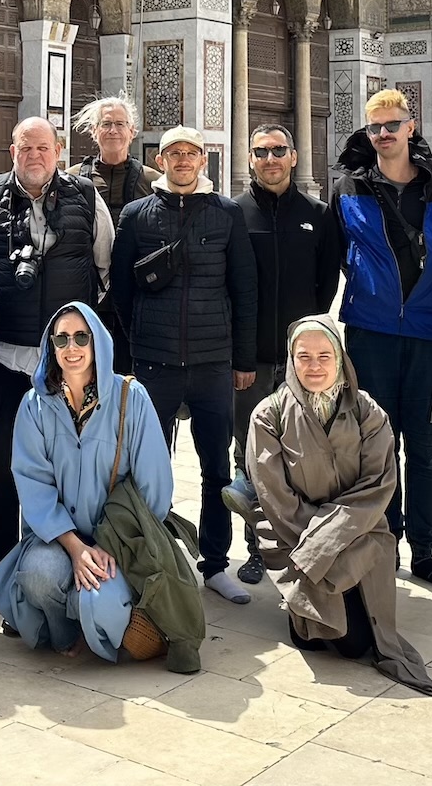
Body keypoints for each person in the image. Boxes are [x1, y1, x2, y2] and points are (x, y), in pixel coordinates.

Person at [244, 318, 432, 697]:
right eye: (303, 356)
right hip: (295, 539)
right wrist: (319, 544)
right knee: (329, 640)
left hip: (360, 534)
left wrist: (334, 537)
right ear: (291, 360)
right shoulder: (268, 415)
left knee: (360, 643)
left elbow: (377, 486)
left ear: (340, 358)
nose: (315, 366)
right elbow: (275, 498)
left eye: (325, 355)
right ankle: (303, 603)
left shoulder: (366, 412)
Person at [109, 125, 260, 605]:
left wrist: (242, 358)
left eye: (190, 153)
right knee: (149, 468)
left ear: (203, 161)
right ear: (161, 159)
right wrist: (137, 349)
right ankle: (154, 561)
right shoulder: (137, 214)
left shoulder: (226, 214)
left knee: (216, 467)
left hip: (213, 361)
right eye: (173, 153)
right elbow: (121, 289)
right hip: (155, 364)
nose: (181, 161)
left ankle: (215, 564)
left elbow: (244, 288)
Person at [0, 117, 113, 578]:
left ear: (59, 151)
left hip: (65, 364)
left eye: (43, 148)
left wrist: (76, 330)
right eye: (25, 149)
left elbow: (104, 264)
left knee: (63, 467)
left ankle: (57, 564)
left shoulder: (86, 196)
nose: (34, 157)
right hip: (4, 356)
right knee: (0, 466)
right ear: (13, 153)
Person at [327, 88, 432, 594]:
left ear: (412, 127)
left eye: (393, 125)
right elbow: (334, 256)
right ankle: (382, 545)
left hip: (429, 338)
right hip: (372, 337)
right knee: (376, 449)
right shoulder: (349, 190)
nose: (384, 134)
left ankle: (425, 553)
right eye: (375, 127)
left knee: (424, 451)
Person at [0, 303, 174, 660]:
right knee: (40, 576)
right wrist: (76, 549)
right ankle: (63, 634)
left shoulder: (130, 399)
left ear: (97, 342)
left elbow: (155, 486)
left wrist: (116, 546)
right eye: (61, 339)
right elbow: (34, 487)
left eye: (80, 337)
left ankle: (96, 613)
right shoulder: (34, 406)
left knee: (99, 603)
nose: (71, 347)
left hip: (118, 540)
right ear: (51, 347)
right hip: (57, 539)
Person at [225, 123, 343, 585]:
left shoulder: (317, 213)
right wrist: (240, 355)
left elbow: (326, 283)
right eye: (261, 152)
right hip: (250, 364)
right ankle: (257, 548)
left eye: (278, 151)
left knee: (299, 458)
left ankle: (296, 547)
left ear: (294, 157)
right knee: (250, 457)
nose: (270, 159)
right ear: (250, 158)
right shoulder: (235, 214)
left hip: (301, 367)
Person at [72, 96, 155, 216]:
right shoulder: (73, 179)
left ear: (131, 131)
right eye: (106, 124)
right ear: (94, 131)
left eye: (120, 124)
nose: (113, 130)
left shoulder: (152, 181)